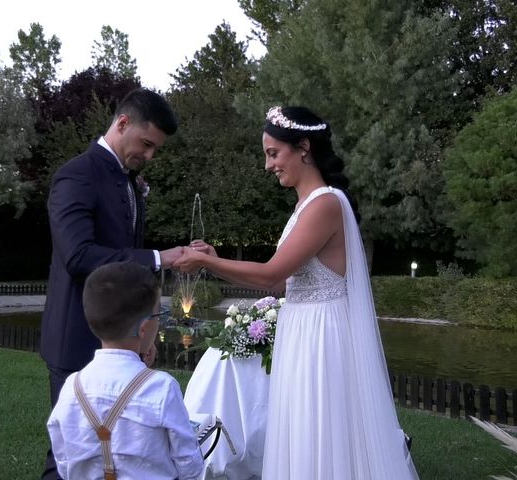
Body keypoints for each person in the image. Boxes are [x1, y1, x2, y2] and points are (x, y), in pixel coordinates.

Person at [176, 106, 419, 479]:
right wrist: (216, 257)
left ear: (303, 147)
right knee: (302, 425)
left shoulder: (325, 203)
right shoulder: (303, 208)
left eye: (273, 153)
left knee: (322, 427)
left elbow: (271, 273)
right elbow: (278, 283)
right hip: (301, 328)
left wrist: (208, 263)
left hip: (322, 334)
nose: (267, 165)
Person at [40, 87, 184, 479]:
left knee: (121, 454)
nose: (150, 156)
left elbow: (124, 263)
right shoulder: (76, 175)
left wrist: (145, 337)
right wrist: (158, 258)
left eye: (156, 148)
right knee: (68, 457)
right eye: (147, 144)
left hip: (124, 341)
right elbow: (78, 256)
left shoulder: (129, 181)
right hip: (77, 338)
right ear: (122, 123)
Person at [47, 261, 205, 479]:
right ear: (143, 328)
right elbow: (189, 464)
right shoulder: (162, 387)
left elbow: (63, 462)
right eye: (158, 316)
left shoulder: (72, 386)